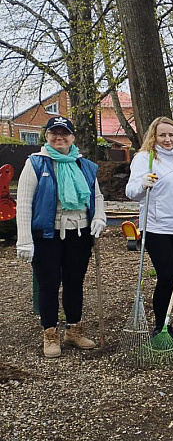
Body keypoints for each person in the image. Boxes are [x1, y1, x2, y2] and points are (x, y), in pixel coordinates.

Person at [15, 116, 106, 358]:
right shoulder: (36, 163)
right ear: (46, 136)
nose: (59, 138)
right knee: (48, 284)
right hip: (47, 235)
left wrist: (99, 217)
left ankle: (74, 331)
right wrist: (24, 239)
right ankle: (50, 333)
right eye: (54, 133)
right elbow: (23, 203)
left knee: (75, 282)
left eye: (64, 133)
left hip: (79, 233)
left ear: (72, 137)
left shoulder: (84, 165)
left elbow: (97, 197)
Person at [125, 116, 173, 344]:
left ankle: (167, 321)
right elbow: (131, 192)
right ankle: (160, 326)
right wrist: (142, 184)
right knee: (166, 276)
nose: (167, 139)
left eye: (171, 135)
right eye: (162, 135)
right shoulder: (145, 159)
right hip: (156, 227)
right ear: (153, 137)